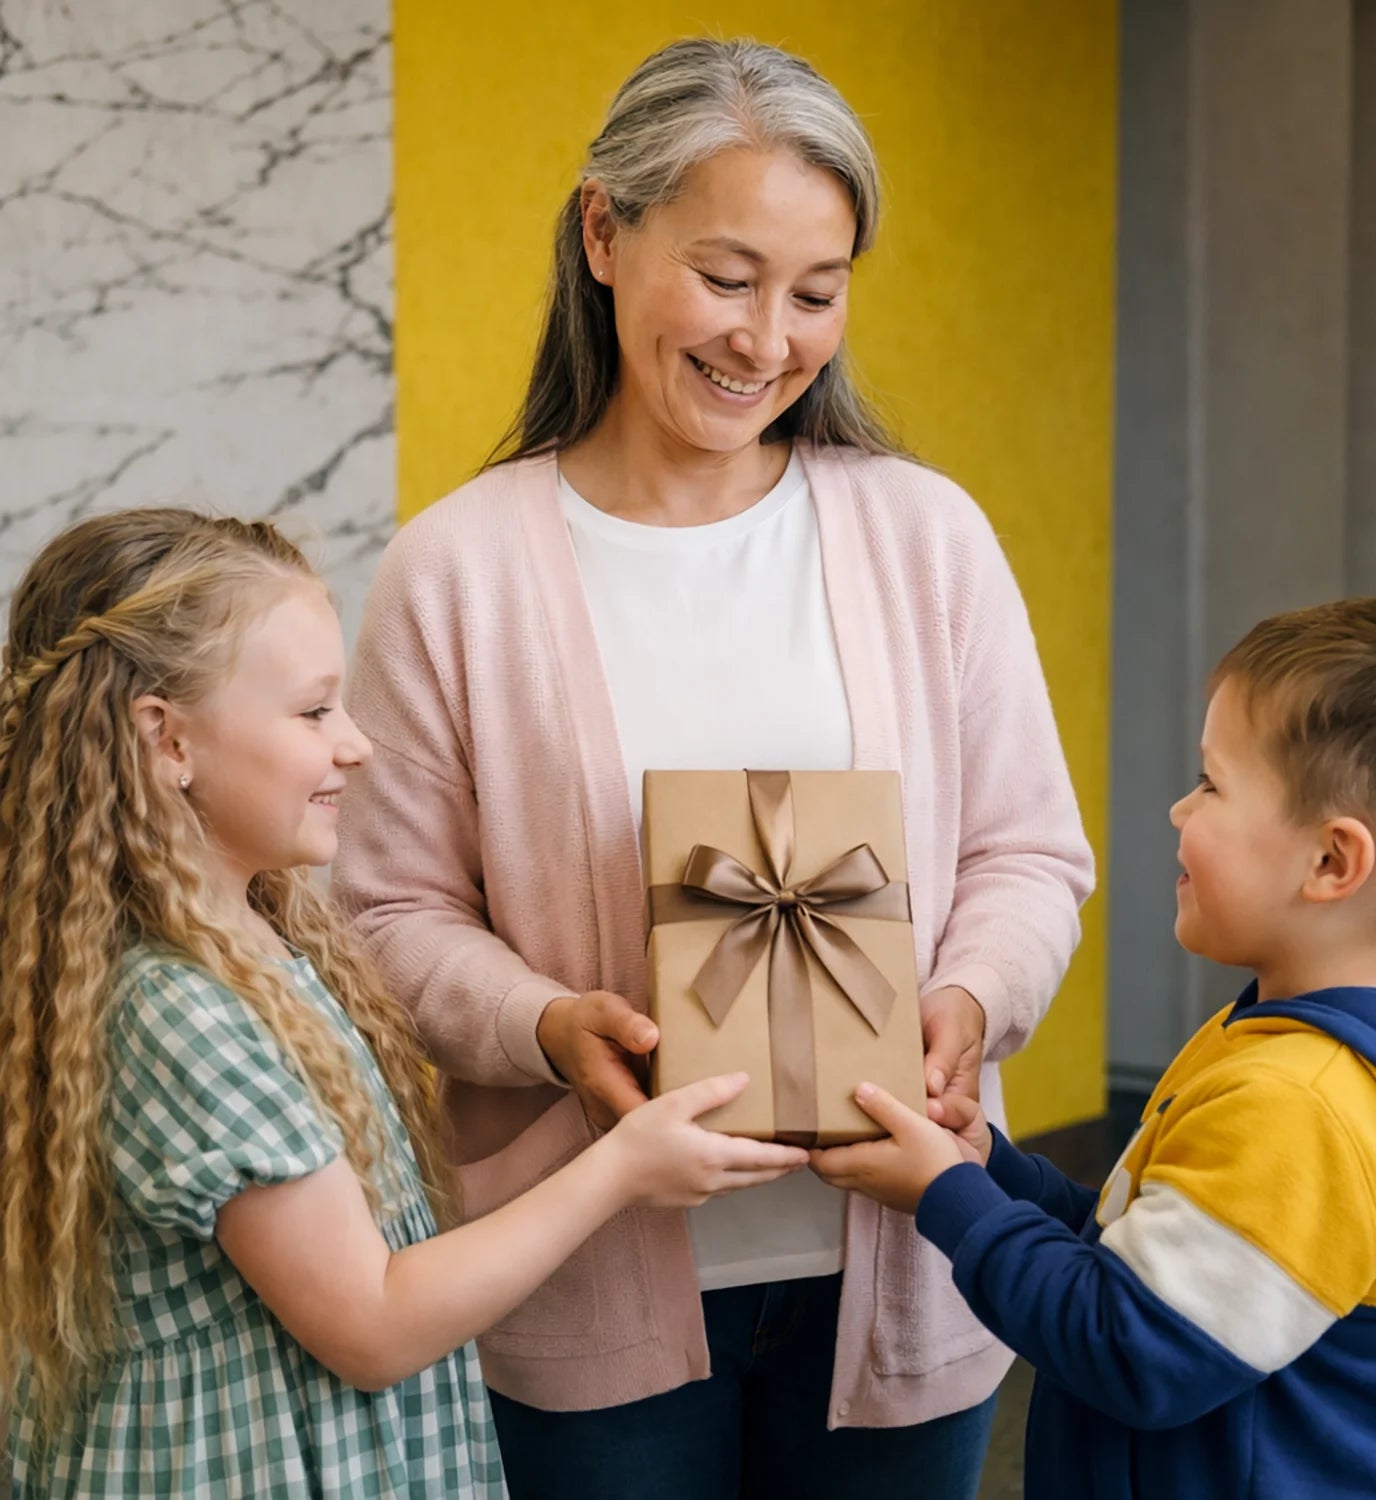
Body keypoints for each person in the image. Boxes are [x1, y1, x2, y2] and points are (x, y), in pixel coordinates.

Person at [333, 34, 1094, 1500]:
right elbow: (384, 917)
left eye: (816, 293)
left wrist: (965, 1002)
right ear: (604, 234)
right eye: (728, 278)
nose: (768, 340)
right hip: (583, 1276)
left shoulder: (924, 535)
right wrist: (550, 1021)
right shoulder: (458, 570)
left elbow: (1027, 856)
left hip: (903, 1261)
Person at [0, 508, 806, 1498]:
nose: (358, 748)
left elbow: (370, 1228)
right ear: (167, 740)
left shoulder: (262, 944)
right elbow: (373, 1325)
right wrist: (621, 1173)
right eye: (313, 712)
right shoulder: (179, 1010)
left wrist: (602, 1097)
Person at [814, 596, 1376, 1500]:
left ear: (1332, 862)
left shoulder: (1301, 1108)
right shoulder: (1310, 1047)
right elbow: (1144, 1259)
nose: (1180, 809)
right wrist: (991, 1169)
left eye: (1213, 785)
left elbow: (1127, 1347)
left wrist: (948, 1199)